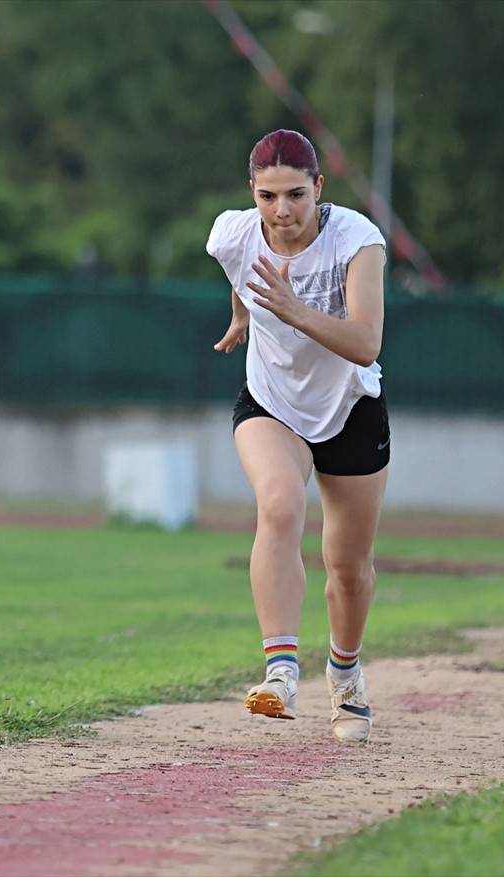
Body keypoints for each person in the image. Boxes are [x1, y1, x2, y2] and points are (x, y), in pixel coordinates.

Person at [206, 129, 390, 743]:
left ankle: (346, 675)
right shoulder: (232, 233)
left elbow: (366, 344)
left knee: (348, 567)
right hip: (272, 401)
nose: (281, 211)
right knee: (280, 505)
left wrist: (293, 311)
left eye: (294, 195)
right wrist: (241, 314)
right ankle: (281, 671)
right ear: (251, 193)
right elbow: (236, 268)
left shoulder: (357, 240)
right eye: (267, 197)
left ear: (319, 188)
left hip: (349, 407)